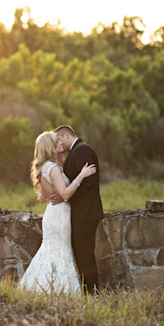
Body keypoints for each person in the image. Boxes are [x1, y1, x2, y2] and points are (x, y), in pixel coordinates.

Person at [18, 131, 96, 295]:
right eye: (56, 142)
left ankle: (40, 288)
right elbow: (66, 194)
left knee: (51, 251)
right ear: (50, 147)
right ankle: (56, 291)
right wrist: (81, 175)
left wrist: (60, 171)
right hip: (60, 216)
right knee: (60, 252)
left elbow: (42, 198)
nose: (60, 143)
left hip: (52, 214)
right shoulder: (53, 168)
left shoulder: (45, 168)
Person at [51, 125, 104, 294]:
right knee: (81, 253)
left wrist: (66, 195)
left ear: (66, 135)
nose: (58, 144)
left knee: (85, 254)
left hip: (86, 212)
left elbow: (88, 182)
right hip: (81, 212)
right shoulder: (75, 152)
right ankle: (87, 291)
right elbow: (75, 177)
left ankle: (93, 292)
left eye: (58, 140)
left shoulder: (82, 150)